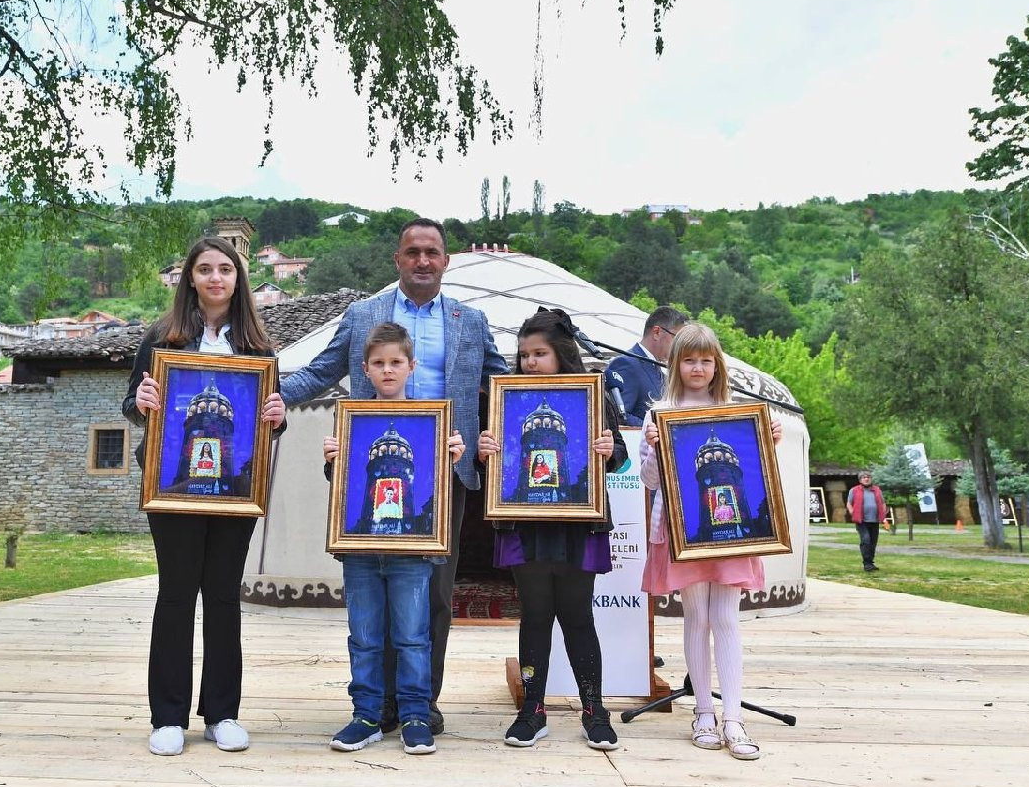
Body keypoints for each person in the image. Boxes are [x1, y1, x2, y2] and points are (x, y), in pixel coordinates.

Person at [281, 218, 508, 735]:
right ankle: (375, 705)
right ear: (398, 260)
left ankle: (419, 704)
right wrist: (267, 398)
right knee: (373, 593)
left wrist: (565, 402)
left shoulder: (470, 321)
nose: (423, 260)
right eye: (413, 252)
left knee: (434, 596)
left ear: (446, 261)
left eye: (432, 252)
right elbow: (320, 371)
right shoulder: (364, 316)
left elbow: (502, 385)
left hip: (445, 473)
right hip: (368, 470)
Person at [123, 235, 288, 757]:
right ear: (190, 278)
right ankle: (167, 715)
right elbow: (132, 402)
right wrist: (142, 399)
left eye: (225, 269)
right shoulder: (161, 337)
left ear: (238, 280)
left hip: (236, 489)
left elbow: (268, 421)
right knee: (175, 595)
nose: (216, 278)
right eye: (205, 269)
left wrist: (276, 418)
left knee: (222, 597)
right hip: (172, 483)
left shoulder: (257, 348)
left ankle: (222, 712)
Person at [477, 308, 627, 750]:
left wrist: (608, 447)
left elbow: (618, 454)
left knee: (578, 616)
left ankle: (594, 710)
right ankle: (532, 710)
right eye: (524, 354)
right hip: (527, 521)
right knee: (536, 615)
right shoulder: (506, 399)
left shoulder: (594, 395)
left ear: (561, 353)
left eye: (539, 353)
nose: (529, 362)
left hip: (578, 521)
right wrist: (486, 450)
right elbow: (493, 459)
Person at [639, 322, 782, 761]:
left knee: (726, 618)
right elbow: (648, 480)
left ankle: (733, 717)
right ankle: (703, 711)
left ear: (716, 364)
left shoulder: (739, 412)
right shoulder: (658, 412)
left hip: (732, 534)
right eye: (688, 359)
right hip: (683, 530)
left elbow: (760, 475)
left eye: (705, 359)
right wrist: (655, 449)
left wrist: (768, 442)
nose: (697, 368)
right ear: (674, 363)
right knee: (695, 616)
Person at [323, 323, 465, 755]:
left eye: (396, 362)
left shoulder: (432, 420)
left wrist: (450, 458)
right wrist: (334, 460)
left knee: (412, 635)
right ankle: (365, 714)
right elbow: (342, 486)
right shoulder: (351, 418)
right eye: (379, 363)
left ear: (411, 366)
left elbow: (432, 487)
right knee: (364, 634)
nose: (388, 370)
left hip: (411, 548)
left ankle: (415, 714)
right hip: (361, 548)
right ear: (365, 369)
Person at [603, 306, 688, 427]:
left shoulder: (659, 370)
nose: (680, 346)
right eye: (677, 338)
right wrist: (656, 429)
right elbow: (617, 416)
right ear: (657, 332)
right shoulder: (627, 364)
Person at [846, 471, 886, 572]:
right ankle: (867, 563)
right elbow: (849, 503)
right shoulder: (854, 490)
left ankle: (870, 563)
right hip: (861, 520)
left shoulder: (877, 490)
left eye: (868, 477)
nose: (866, 479)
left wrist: (883, 514)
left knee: (873, 542)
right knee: (866, 540)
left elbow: (883, 503)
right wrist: (852, 513)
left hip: (875, 520)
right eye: (864, 477)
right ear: (860, 480)